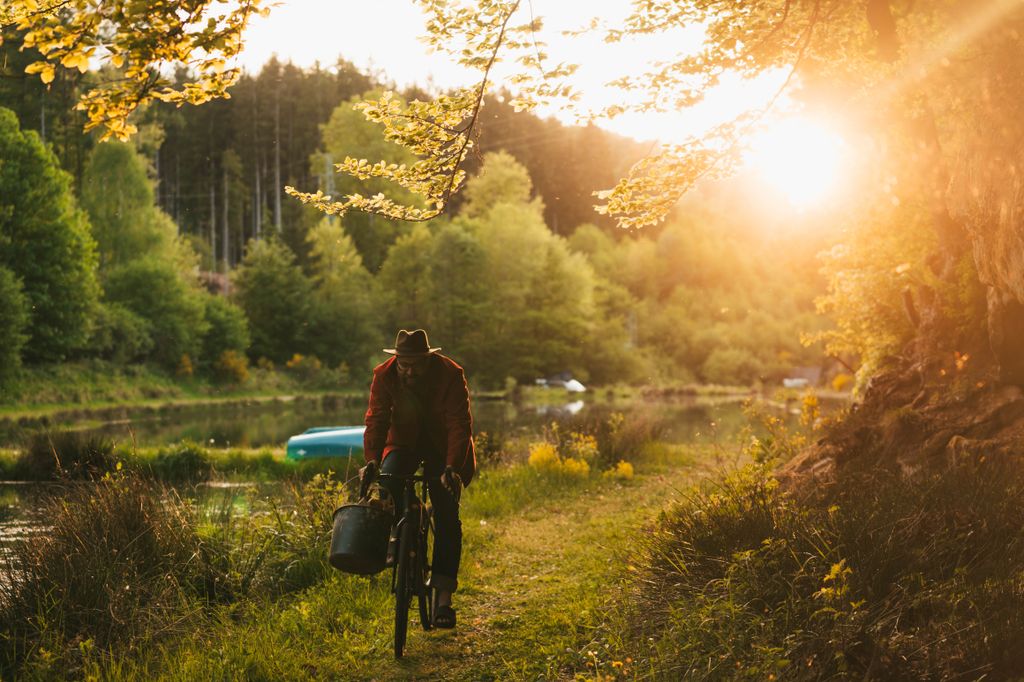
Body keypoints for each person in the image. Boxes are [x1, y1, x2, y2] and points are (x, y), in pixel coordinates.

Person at [360, 328, 476, 629]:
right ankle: (400, 532)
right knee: (388, 482)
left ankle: (443, 599)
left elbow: (459, 423)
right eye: (403, 364)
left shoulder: (450, 374)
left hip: (443, 446)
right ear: (396, 359)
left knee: (448, 515)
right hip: (403, 442)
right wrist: (371, 459)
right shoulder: (384, 375)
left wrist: (452, 467)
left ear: (427, 359)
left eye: (415, 365)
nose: (409, 370)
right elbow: (376, 418)